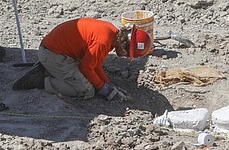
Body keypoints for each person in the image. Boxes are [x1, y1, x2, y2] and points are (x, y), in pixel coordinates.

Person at [11, 17, 153, 100]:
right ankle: (42, 80)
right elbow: (86, 67)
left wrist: (108, 84)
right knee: (87, 91)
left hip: (58, 51)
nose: (127, 57)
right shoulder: (102, 42)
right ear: (124, 45)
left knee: (90, 81)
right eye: (129, 54)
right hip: (53, 54)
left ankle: (49, 68)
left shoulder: (111, 33)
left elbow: (95, 64)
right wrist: (103, 88)